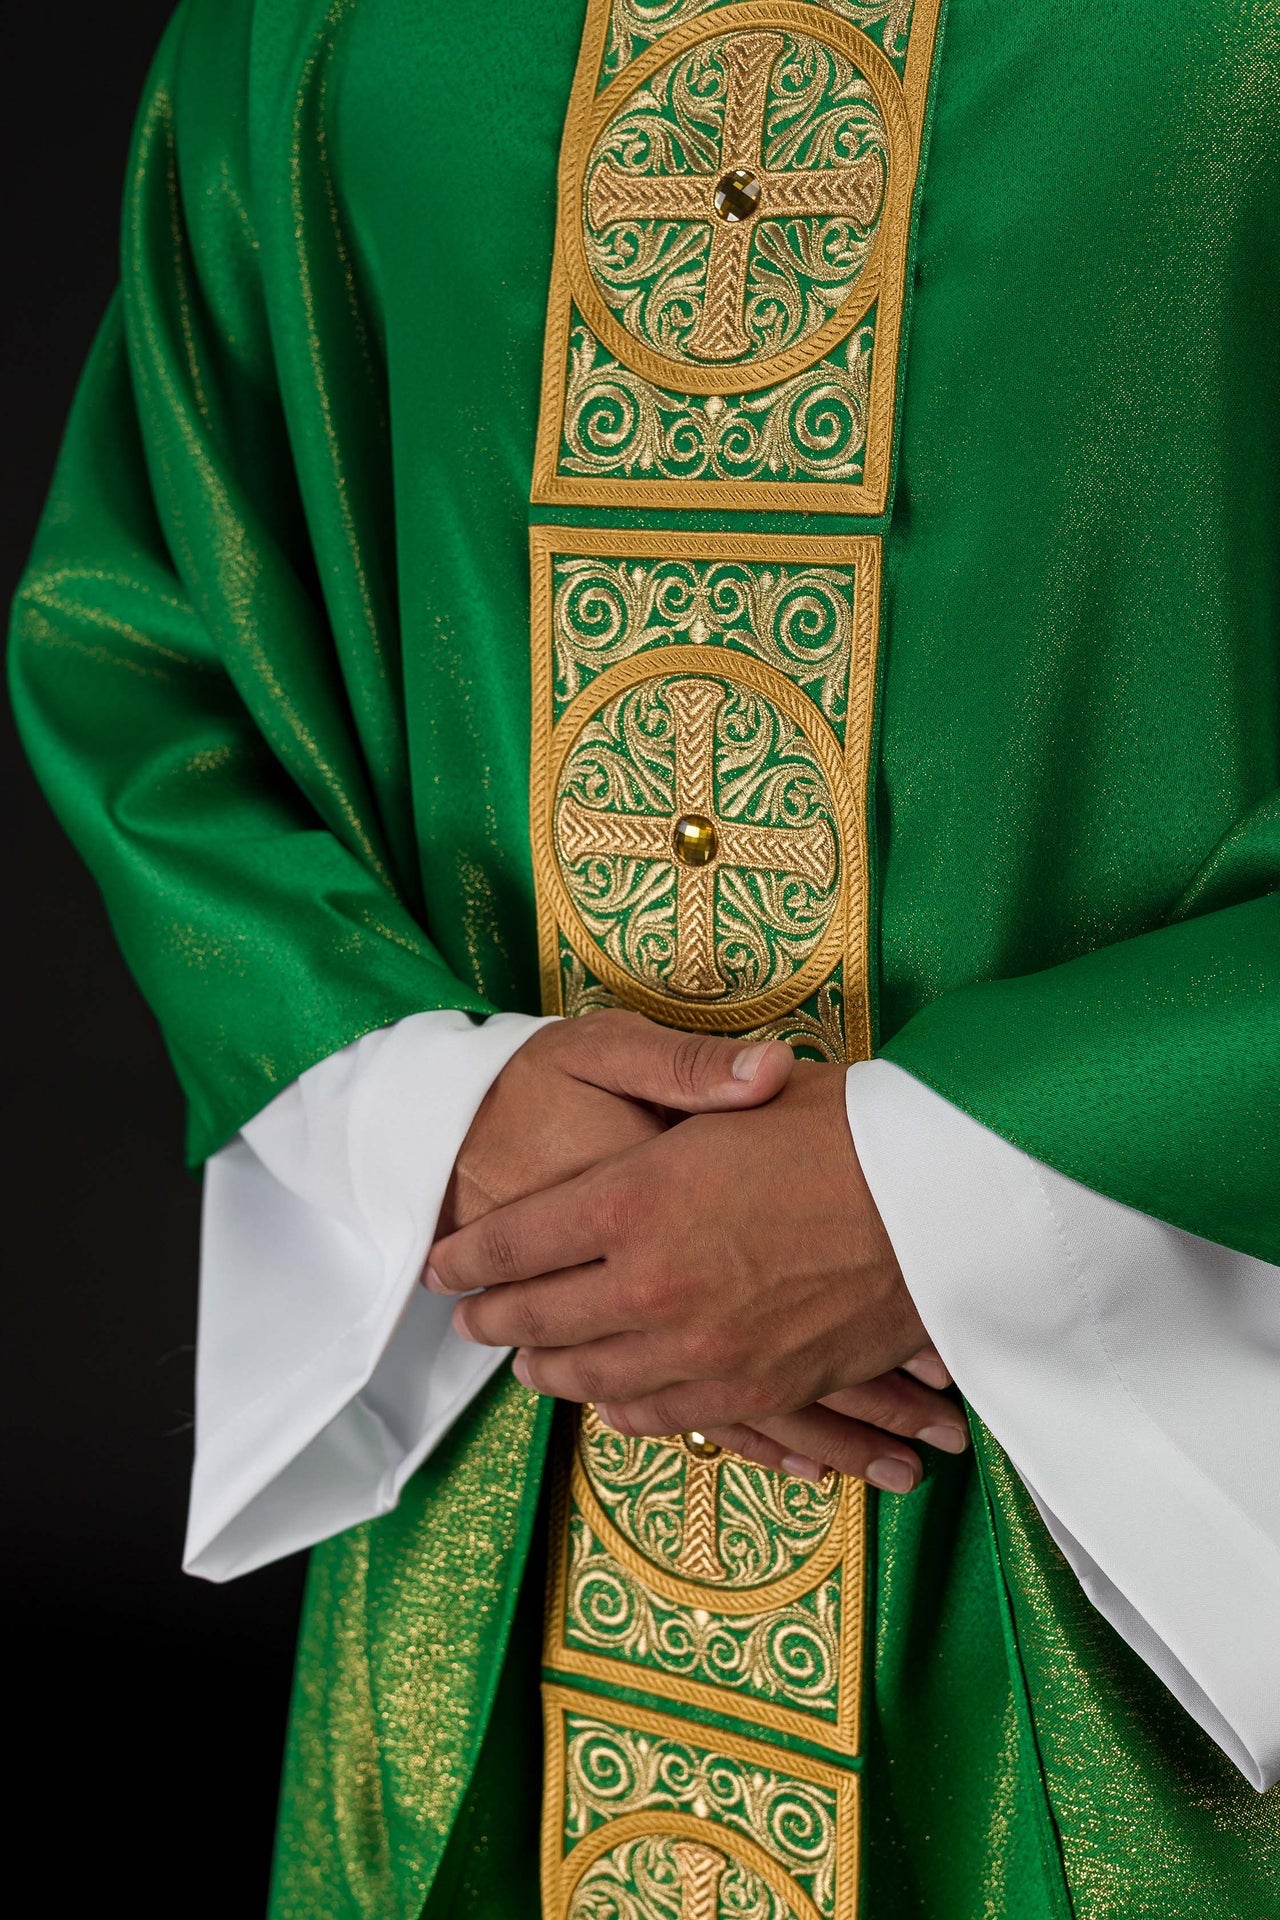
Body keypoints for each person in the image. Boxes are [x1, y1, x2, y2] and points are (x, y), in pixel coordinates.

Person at [10, 0, 1280, 1912]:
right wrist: (434, 1104)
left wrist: (950, 1182)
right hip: (528, 1426)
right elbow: (149, 614)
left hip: (1146, 1494)